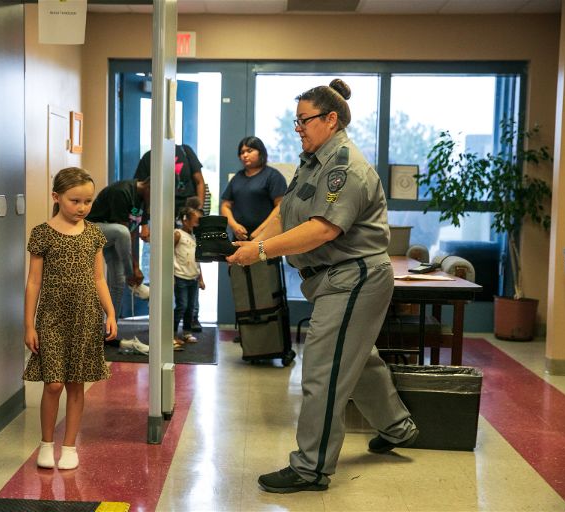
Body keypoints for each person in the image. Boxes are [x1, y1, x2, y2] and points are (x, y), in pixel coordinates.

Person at [227, 79, 418, 493]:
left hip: (354, 277)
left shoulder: (345, 166)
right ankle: (399, 428)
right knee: (357, 359)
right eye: (296, 121)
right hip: (334, 279)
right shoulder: (313, 160)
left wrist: (260, 253)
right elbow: (288, 215)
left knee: (324, 371)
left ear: (330, 119)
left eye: (304, 120)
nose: (298, 128)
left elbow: (321, 230)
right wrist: (253, 240)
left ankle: (311, 468)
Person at [23, 167, 117, 470]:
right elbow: (34, 282)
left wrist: (111, 312)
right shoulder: (42, 233)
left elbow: (99, 278)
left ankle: (70, 446)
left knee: (76, 384)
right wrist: (29, 324)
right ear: (56, 197)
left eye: (87, 202)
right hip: (51, 317)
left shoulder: (94, 234)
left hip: (86, 316)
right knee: (53, 384)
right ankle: (47, 443)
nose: (82, 208)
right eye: (75, 200)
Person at [86, 177, 151, 325]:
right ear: (149, 188)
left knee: (117, 282)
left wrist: (136, 266)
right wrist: (133, 270)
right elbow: (124, 232)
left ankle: (109, 330)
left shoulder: (143, 200)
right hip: (91, 228)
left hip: (112, 234)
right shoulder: (122, 192)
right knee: (122, 232)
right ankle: (132, 280)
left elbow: (131, 233)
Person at [221, 136, 287, 241]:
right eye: (242, 153)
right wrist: (234, 226)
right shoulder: (237, 177)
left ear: (260, 152)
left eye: (249, 151)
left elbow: (281, 206)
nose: (245, 155)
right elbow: (225, 205)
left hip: (266, 238)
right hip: (239, 237)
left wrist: (261, 230)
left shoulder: (272, 176)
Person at [134, 143, 206, 214]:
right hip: (161, 210)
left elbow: (199, 182)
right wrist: (144, 221)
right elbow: (141, 190)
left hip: (188, 209)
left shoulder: (185, 150)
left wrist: (198, 210)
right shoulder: (148, 157)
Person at [173, 207, 205, 349]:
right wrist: (171, 274)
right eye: (196, 221)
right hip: (180, 276)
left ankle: (186, 331)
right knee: (182, 306)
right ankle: (171, 334)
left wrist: (201, 278)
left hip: (193, 277)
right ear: (185, 220)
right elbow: (169, 253)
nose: (198, 224)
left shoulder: (194, 237)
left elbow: (196, 259)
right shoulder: (177, 234)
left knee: (191, 307)